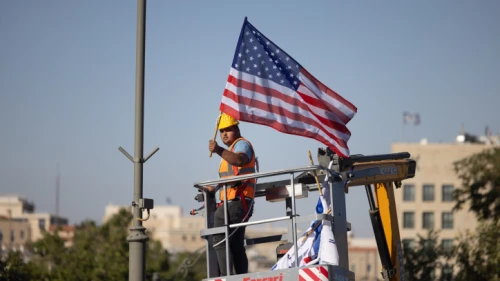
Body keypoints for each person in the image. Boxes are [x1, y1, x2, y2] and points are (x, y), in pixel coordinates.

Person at [206, 113, 256, 276]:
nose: (224, 134)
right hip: (236, 202)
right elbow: (232, 175)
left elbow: (240, 161)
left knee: (219, 237)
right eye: (221, 131)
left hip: (237, 202)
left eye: (228, 129)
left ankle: (227, 277)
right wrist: (215, 188)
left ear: (237, 129)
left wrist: (218, 149)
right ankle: (240, 276)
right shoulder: (230, 150)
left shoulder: (241, 145)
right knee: (235, 243)